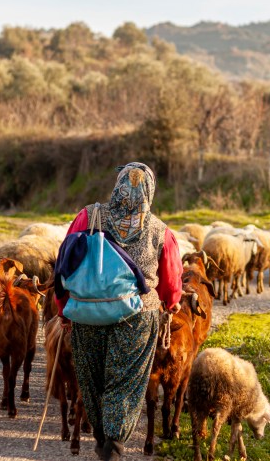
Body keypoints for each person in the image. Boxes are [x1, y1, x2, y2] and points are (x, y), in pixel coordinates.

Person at [56, 162, 182, 460]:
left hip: (87, 312)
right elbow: (172, 281)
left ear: (118, 185)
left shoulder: (88, 216)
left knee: (92, 377)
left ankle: (102, 436)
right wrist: (171, 302)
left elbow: (65, 264)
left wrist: (64, 311)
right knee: (126, 380)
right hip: (137, 317)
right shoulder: (160, 231)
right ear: (150, 191)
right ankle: (114, 443)